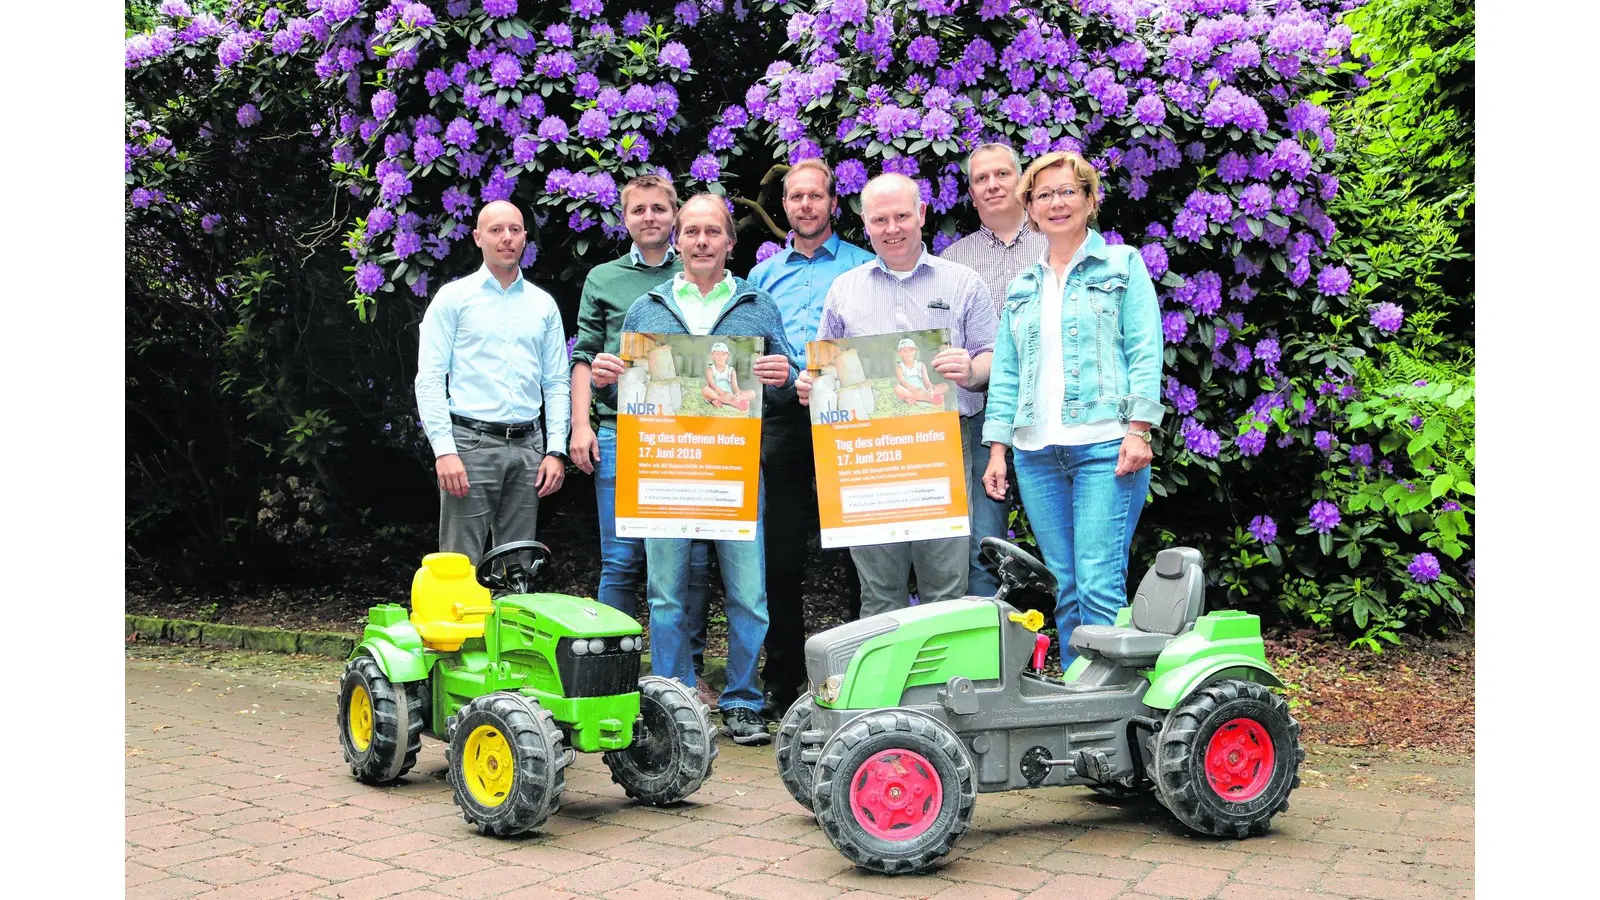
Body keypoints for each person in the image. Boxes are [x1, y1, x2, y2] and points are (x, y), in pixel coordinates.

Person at [591, 194, 800, 745]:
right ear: (678, 241)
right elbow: (630, 388)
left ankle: (742, 700)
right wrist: (608, 375)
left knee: (749, 594)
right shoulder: (646, 309)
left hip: (733, 471)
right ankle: (672, 697)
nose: (702, 241)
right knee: (664, 593)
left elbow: (785, 389)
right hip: (664, 468)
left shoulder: (757, 304)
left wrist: (783, 376)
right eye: (692, 232)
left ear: (732, 241)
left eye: (713, 232)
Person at [980, 151, 1165, 667]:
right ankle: (1076, 705)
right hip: (1036, 453)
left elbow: (1145, 350)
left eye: (1068, 191)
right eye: (1044, 195)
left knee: (1099, 581)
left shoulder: (1124, 265)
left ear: (1089, 199)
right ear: (1031, 209)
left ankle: (1110, 713)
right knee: (1063, 583)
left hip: (1106, 445)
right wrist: (998, 449)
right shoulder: (1022, 287)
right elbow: (1010, 374)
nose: (1056, 203)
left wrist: (1139, 429)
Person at [797, 173, 998, 618]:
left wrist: (970, 370)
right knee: (879, 589)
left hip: (943, 444)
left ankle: (943, 688)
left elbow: (993, 358)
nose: (892, 228)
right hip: (868, 452)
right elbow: (825, 368)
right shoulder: (844, 289)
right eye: (880, 219)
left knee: (945, 585)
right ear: (864, 224)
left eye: (902, 216)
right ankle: (884, 689)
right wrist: (812, 385)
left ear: (922, 214)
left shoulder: (963, 282)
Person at [568, 174, 717, 708]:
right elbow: (584, 355)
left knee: (693, 562)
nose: (650, 217)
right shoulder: (603, 278)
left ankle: (685, 675)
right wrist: (581, 425)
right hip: (620, 434)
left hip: (689, 440)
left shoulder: (700, 270)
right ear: (624, 218)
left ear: (674, 217)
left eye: (660, 209)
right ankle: (606, 674)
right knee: (621, 561)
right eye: (639, 210)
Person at [746, 158, 874, 719]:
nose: (804, 206)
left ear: (832, 202)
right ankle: (783, 676)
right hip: (782, 424)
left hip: (847, 422)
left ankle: (861, 671)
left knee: (860, 553)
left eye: (814, 196)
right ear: (786, 206)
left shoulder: (863, 267)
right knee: (780, 552)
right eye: (795, 197)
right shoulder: (761, 277)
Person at [414, 200, 570, 564]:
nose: (507, 238)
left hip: (529, 447)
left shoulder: (543, 305)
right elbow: (431, 378)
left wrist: (555, 449)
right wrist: (444, 450)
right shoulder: (454, 299)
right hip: (470, 447)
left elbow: (557, 382)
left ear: (525, 238)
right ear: (477, 237)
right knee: (458, 567)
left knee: (518, 571)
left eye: (515, 230)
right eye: (496, 230)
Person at [939, 142, 1048, 598]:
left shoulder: (1057, 243)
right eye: (981, 178)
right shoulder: (953, 262)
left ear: (1020, 181)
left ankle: (1070, 639)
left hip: (1053, 408)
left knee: (1058, 537)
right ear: (970, 191)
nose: (992, 185)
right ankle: (989, 647)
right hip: (982, 415)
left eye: (1001, 174)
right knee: (984, 541)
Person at [892, 337, 948, 407]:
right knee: (897, 388)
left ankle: (914, 398)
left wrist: (930, 389)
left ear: (915, 351)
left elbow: (926, 381)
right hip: (909, 390)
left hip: (922, 391)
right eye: (904, 351)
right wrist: (915, 390)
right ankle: (926, 399)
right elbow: (903, 382)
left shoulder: (921, 365)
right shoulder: (899, 367)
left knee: (945, 386)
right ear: (900, 353)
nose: (908, 353)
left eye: (911, 350)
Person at [702, 341, 756, 410]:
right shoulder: (710, 370)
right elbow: (713, 386)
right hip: (717, 394)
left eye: (723, 354)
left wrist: (737, 394)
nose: (720, 357)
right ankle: (733, 403)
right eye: (717, 354)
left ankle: (722, 402)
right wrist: (724, 394)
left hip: (729, 395)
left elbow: (735, 386)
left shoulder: (731, 370)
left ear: (727, 356)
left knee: (752, 393)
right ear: (712, 356)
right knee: (705, 389)